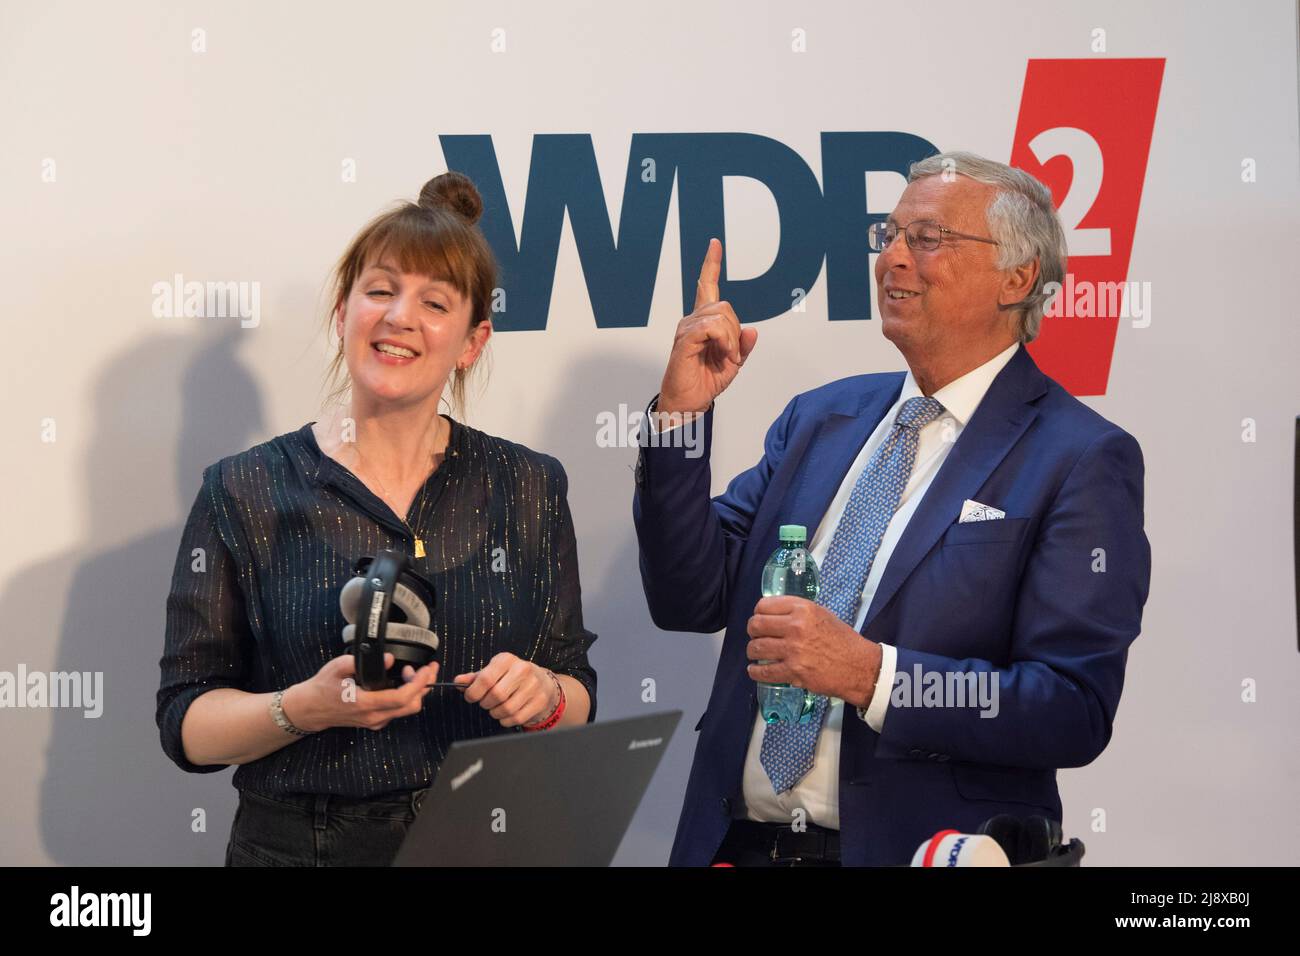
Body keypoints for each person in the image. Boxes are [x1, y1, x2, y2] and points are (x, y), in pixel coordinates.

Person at [632, 151, 1151, 866]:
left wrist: (872, 676)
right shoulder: (822, 419)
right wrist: (682, 420)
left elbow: (1070, 707)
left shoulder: (1081, 458)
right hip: (737, 847)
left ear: (1018, 277)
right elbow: (688, 597)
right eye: (889, 236)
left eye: (928, 239)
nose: (893, 260)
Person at [157, 171, 597, 866]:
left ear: (473, 341)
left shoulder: (528, 485)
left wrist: (543, 696)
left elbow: (577, 692)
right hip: (299, 849)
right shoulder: (243, 490)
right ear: (344, 312)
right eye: (381, 291)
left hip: (486, 842)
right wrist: (304, 708)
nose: (399, 318)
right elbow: (184, 723)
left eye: (434, 302)